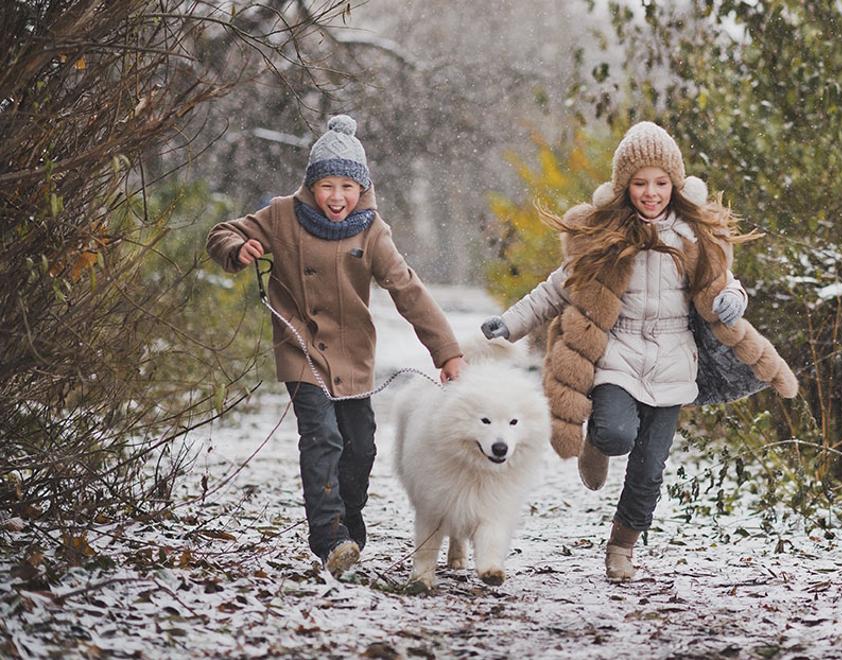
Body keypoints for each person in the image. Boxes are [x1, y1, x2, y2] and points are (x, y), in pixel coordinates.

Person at [481, 121, 798, 582]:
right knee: (615, 434)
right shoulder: (605, 235)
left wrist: (735, 298)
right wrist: (509, 325)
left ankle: (621, 548)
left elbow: (724, 282)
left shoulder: (694, 235)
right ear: (624, 186)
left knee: (649, 470)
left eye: (661, 183)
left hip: (674, 361)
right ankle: (597, 444)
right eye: (640, 183)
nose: (651, 193)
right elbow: (557, 289)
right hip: (619, 355)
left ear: (675, 184)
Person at [206, 115, 466, 577]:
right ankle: (329, 536)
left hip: (353, 357)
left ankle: (348, 523)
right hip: (301, 350)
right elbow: (222, 232)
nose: (337, 197)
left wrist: (445, 350)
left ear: (362, 188)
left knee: (360, 447)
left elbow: (408, 289)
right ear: (311, 184)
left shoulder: (371, 231)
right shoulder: (283, 215)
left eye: (348, 186)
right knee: (322, 438)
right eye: (327, 184)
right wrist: (237, 248)